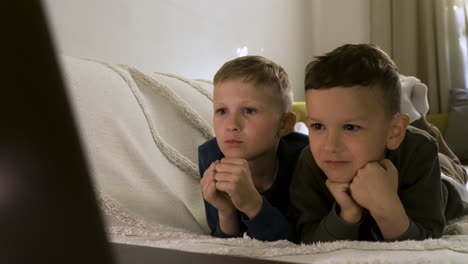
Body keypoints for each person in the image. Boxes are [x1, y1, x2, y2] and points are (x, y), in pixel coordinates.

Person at [290, 44, 468, 243]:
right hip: (395, 134)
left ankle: (419, 119)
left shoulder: (419, 150)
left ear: (393, 133)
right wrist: (347, 213)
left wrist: (386, 206)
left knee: (453, 167)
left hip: (447, 181)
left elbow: (424, 242)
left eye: (350, 127)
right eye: (317, 126)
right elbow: (309, 241)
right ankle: (409, 111)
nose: (330, 146)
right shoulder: (309, 160)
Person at [198, 55, 308, 242]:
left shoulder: (305, 158)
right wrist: (226, 212)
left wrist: (252, 204)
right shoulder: (210, 155)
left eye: (249, 110)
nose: (231, 125)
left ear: (284, 124)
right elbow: (221, 244)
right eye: (222, 111)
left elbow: (303, 244)